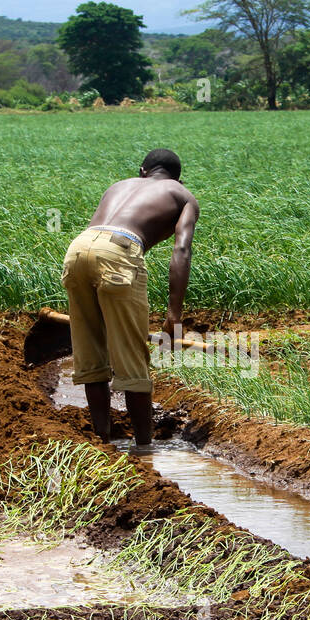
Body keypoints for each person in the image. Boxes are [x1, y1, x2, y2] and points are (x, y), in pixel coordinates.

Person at [61, 148, 199, 453]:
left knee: (91, 352)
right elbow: (182, 250)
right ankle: (144, 448)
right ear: (177, 178)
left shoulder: (118, 186)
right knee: (132, 356)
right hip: (120, 251)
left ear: (142, 172)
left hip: (78, 248)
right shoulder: (182, 195)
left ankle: (101, 441)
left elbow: (100, 237)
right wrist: (174, 315)